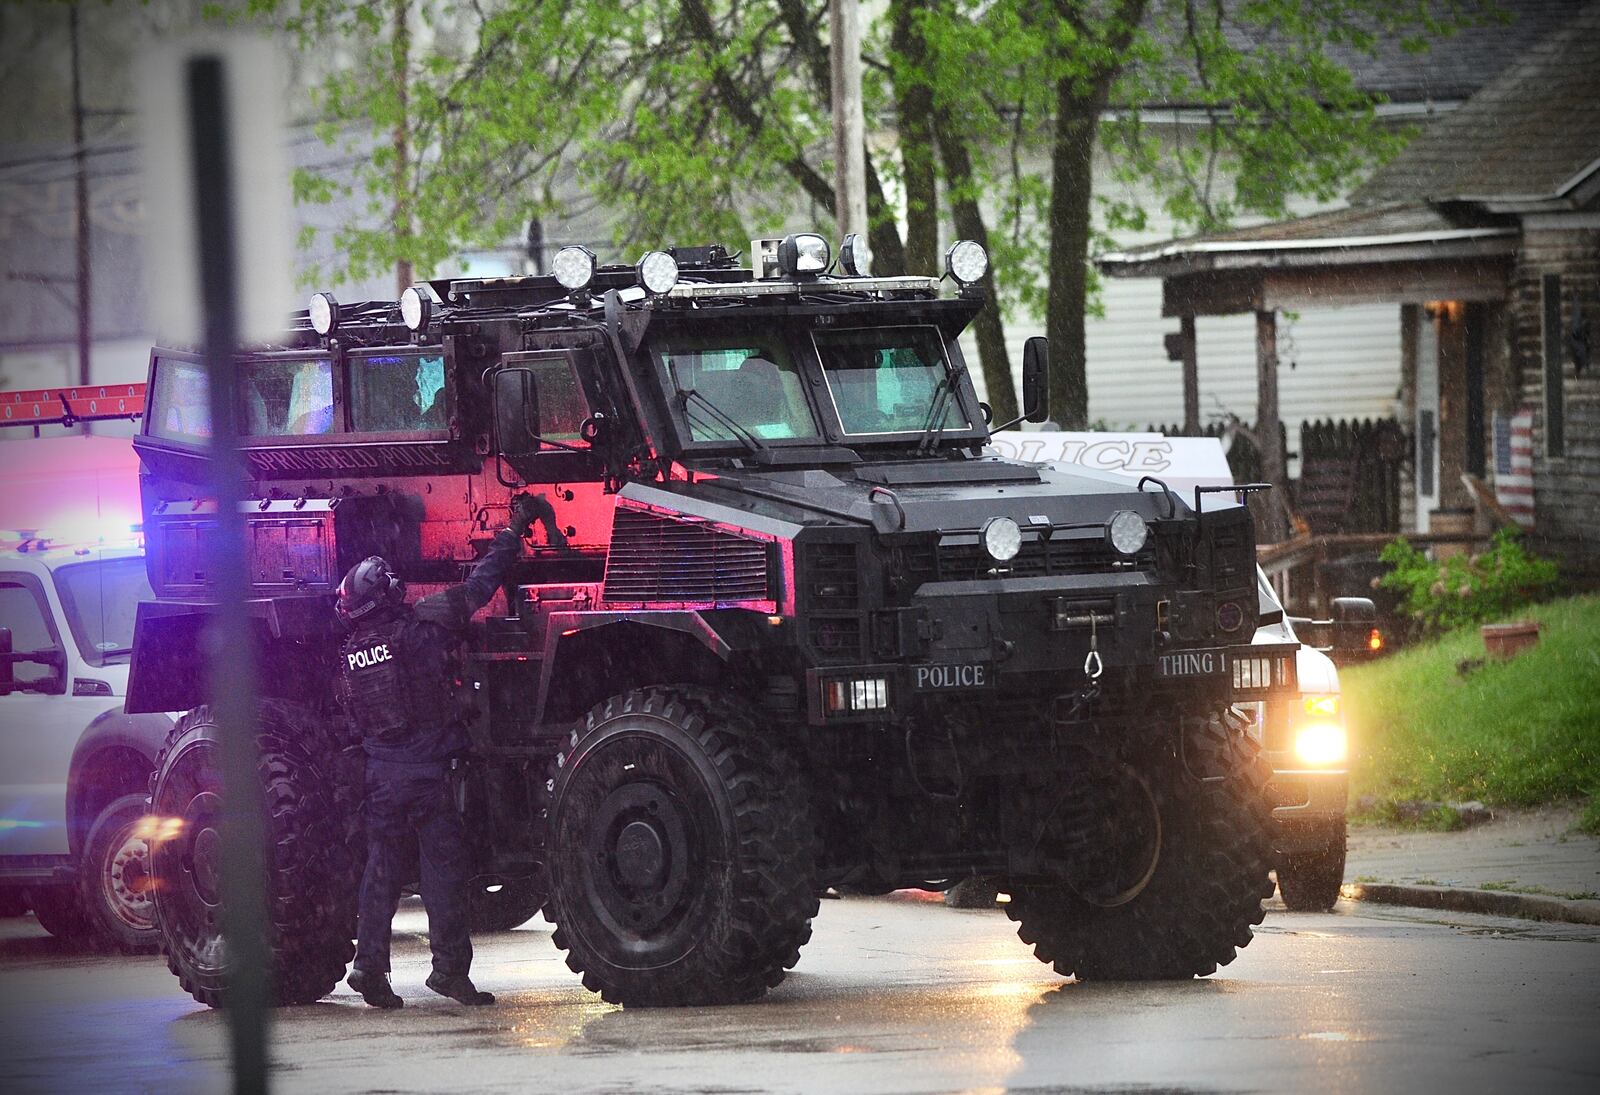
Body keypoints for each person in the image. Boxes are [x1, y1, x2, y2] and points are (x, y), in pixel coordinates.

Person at [336, 494, 540, 1009]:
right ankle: (449, 971)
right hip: (429, 775)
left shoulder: (353, 653)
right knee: (442, 875)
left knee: (380, 871)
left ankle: (368, 969)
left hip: (382, 777)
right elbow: (478, 588)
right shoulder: (423, 628)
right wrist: (512, 532)